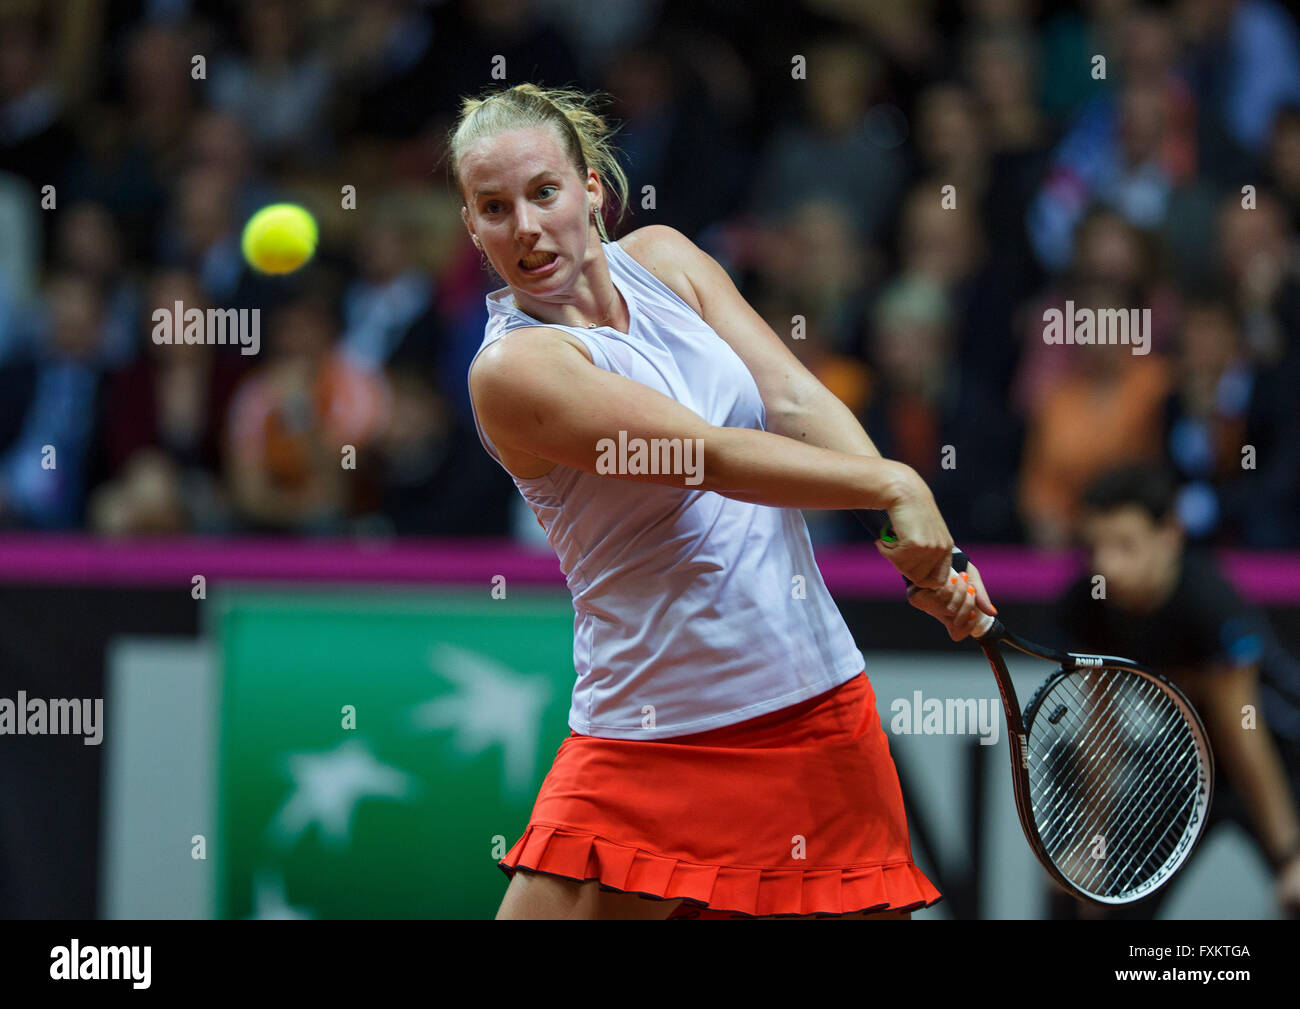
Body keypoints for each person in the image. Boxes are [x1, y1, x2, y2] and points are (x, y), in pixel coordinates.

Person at [452, 83, 997, 920]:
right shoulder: (514, 371)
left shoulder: (670, 259)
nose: (524, 226)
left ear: (592, 188)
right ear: (472, 225)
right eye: (494, 207)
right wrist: (898, 482)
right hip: (645, 735)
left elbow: (794, 402)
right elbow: (700, 456)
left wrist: (925, 547)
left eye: (543, 192)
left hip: (813, 699)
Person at [1054, 464, 1300, 919]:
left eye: (1125, 545)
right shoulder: (1090, 601)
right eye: (1096, 546)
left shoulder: (1207, 602)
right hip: (1188, 763)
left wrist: (1289, 856)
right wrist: (1094, 844)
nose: (1106, 565)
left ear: (1169, 534)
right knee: (1106, 901)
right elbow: (1101, 733)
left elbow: (1243, 735)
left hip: (1278, 759)